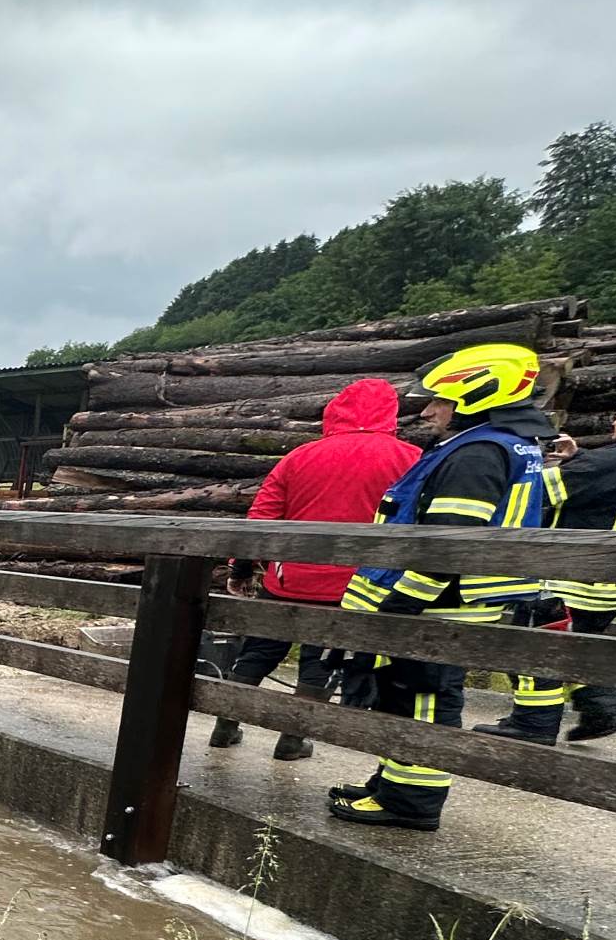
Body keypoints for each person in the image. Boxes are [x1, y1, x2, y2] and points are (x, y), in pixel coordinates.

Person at [328, 343, 552, 831]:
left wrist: (403, 603)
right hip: (446, 603)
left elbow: (448, 544)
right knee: (400, 694)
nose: (428, 410)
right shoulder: (505, 445)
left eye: (440, 401)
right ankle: (393, 780)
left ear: (475, 398)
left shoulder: (477, 453)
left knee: (423, 701)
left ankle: (410, 803)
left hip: (437, 608)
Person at [209, 377, 417, 759]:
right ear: (392, 413)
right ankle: (292, 739)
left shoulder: (299, 456)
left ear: (335, 410)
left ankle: (225, 727)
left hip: (287, 580)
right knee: (319, 663)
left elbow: (263, 518)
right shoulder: (411, 458)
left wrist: (241, 568)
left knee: (257, 653)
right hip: (354, 585)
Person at [478, 400, 616, 744]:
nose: (613, 420)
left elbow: (541, 490)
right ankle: (604, 707)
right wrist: (580, 457)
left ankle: (533, 724)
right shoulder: (610, 461)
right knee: (575, 647)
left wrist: (529, 463)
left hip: (573, 576)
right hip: (606, 579)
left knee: (534, 646)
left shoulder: (614, 460)